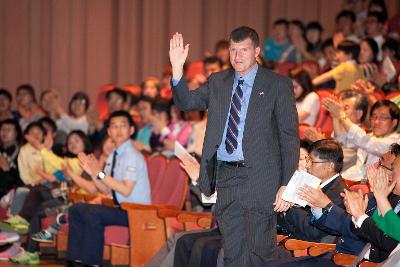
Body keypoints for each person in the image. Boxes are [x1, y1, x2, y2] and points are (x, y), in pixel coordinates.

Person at [169, 26, 299, 266]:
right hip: (226, 178)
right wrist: (178, 69)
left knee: (259, 253)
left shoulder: (277, 84)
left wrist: (287, 185)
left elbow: (289, 137)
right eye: (233, 50)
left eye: (244, 50)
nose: (237, 56)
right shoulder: (219, 81)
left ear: (257, 51)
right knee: (233, 254)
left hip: (260, 179)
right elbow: (186, 102)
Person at [66, 110, 151, 266]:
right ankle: (76, 260)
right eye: (114, 126)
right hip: (121, 209)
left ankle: (92, 262)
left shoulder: (132, 155)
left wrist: (100, 173)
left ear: (131, 130)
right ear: (109, 131)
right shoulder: (114, 155)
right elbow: (105, 190)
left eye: (123, 126)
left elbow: (125, 190)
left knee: (93, 212)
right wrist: (93, 173)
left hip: (137, 212)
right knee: (76, 209)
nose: (118, 130)